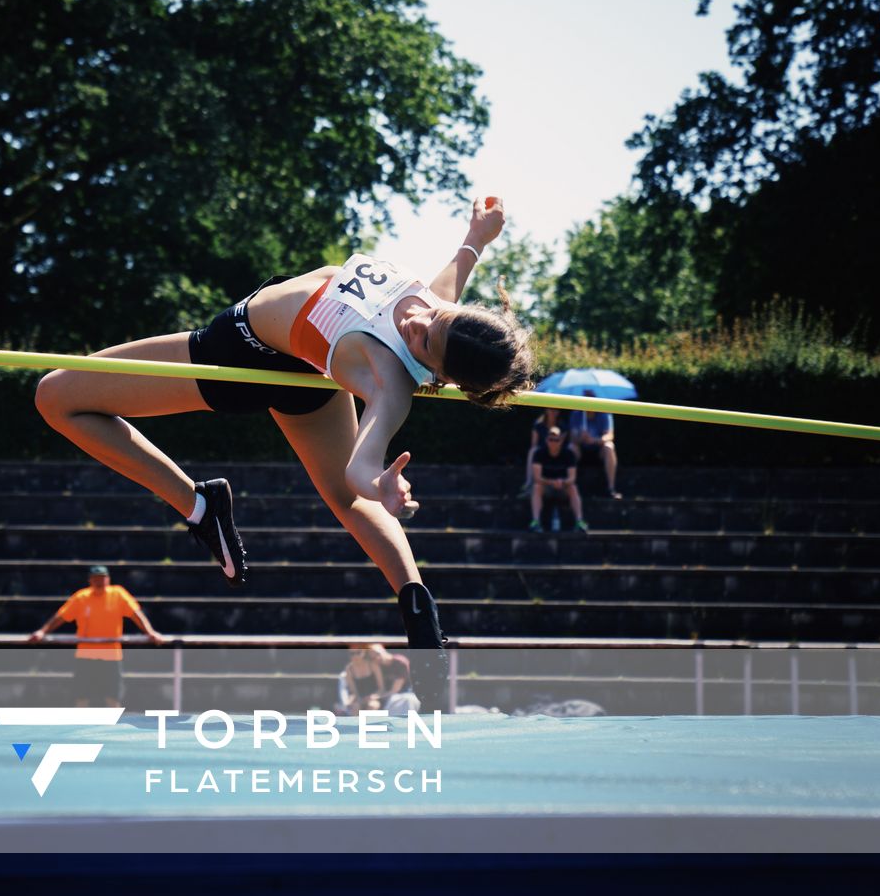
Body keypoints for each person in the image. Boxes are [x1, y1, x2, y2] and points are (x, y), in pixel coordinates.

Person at [35, 198, 535, 685]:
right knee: (345, 505)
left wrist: (380, 484)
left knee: (56, 396)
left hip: (240, 355)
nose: (418, 322)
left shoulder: (392, 382)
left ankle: (197, 504)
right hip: (301, 370)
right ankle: (421, 618)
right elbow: (450, 281)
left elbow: (359, 468)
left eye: (426, 343)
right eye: (437, 318)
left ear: (438, 374)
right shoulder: (436, 308)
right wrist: (477, 237)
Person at [27, 564, 166, 707]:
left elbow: (136, 614)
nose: (99, 582)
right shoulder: (81, 597)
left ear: (108, 579)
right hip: (86, 655)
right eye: (96, 578)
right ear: (90, 580)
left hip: (111, 655)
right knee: (82, 696)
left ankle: (113, 727)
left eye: (102, 578)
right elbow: (60, 617)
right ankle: (81, 728)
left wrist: (150, 632)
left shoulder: (118, 594)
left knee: (113, 697)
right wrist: (42, 631)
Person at [528, 425, 587, 532]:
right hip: (546, 488)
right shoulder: (539, 453)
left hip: (563, 488)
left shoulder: (569, 454)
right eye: (551, 439)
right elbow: (537, 478)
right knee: (537, 487)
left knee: (573, 487)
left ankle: (579, 521)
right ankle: (535, 522)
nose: (553, 442)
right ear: (546, 440)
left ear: (561, 440)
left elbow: (572, 478)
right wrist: (551, 482)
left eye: (556, 439)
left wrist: (562, 482)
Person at [566, 388, 622, 498]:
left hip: (599, 450)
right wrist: (580, 438)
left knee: (609, 447)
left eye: (591, 398)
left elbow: (609, 436)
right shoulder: (576, 414)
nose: (588, 401)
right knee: (571, 448)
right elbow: (572, 438)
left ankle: (611, 488)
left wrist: (594, 440)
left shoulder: (604, 414)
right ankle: (567, 487)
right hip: (581, 450)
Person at [521, 407, 565, 494]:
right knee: (533, 451)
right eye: (551, 409)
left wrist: (552, 446)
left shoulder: (563, 426)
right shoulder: (538, 424)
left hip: (558, 453)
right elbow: (534, 444)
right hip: (542, 454)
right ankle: (529, 482)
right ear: (546, 410)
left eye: (556, 410)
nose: (553, 412)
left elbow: (560, 445)